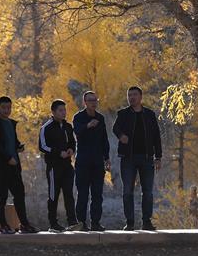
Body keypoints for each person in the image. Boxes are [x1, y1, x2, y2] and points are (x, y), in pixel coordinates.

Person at [0, 96, 38, 234]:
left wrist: (18, 147)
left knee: (19, 194)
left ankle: (24, 224)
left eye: (9, 107)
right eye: (4, 107)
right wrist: (7, 158)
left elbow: (12, 141)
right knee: (1, 195)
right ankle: (3, 225)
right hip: (1, 166)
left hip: (14, 165)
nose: (7, 110)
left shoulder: (11, 123)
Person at [113, 86, 163, 231]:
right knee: (127, 191)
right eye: (129, 95)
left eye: (134, 95)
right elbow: (115, 128)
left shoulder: (149, 114)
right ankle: (129, 222)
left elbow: (156, 137)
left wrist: (158, 157)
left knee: (147, 192)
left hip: (147, 158)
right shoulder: (123, 114)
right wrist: (121, 136)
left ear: (141, 97)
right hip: (128, 158)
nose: (131, 98)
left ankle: (146, 222)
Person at [39, 100, 82, 232]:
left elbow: (72, 142)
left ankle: (72, 221)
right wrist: (58, 153)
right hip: (53, 166)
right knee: (54, 195)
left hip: (67, 166)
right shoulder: (46, 127)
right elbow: (42, 146)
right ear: (53, 111)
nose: (63, 113)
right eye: (60, 110)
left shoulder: (68, 126)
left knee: (69, 193)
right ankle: (53, 224)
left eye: (64, 110)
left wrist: (71, 150)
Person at [72, 91, 111, 232]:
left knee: (97, 194)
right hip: (83, 161)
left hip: (98, 162)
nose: (93, 102)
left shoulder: (100, 118)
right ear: (85, 102)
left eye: (95, 100)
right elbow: (76, 132)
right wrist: (88, 125)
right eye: (90, 100)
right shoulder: (78, 117)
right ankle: (81, 223)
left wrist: (107, 158)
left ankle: (96, 223)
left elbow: (104, 139)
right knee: (82, 194)